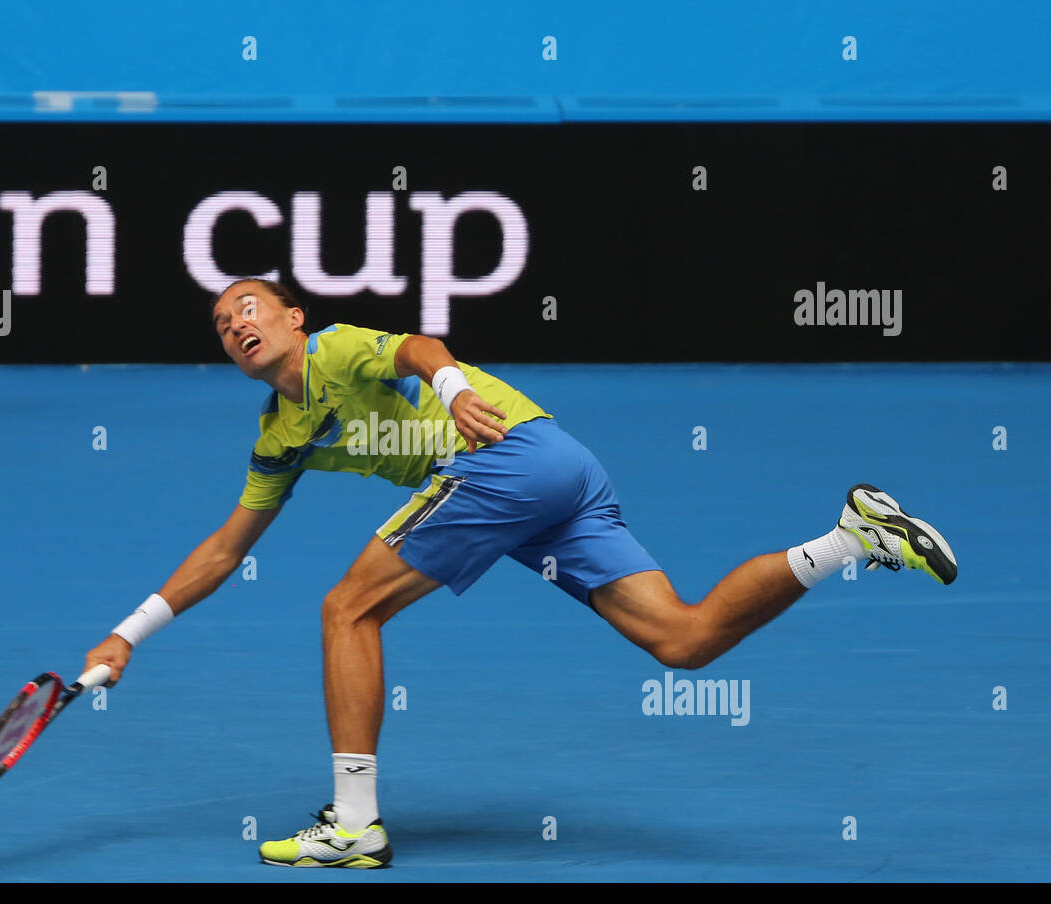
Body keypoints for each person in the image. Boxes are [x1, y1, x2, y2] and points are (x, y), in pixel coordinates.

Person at [83, 278, 957, 868]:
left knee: (348, 609)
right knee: (682, 638)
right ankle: (851, 537)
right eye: (224, 324)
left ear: (294, 318)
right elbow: (226, 549)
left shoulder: (338, 349)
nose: (238, 325)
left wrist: (456, 387)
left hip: (505, 454)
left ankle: (353, 823)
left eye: (251, 308)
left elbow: (419, 347)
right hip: (559, 466)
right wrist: (130, 632)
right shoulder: (280, 434)